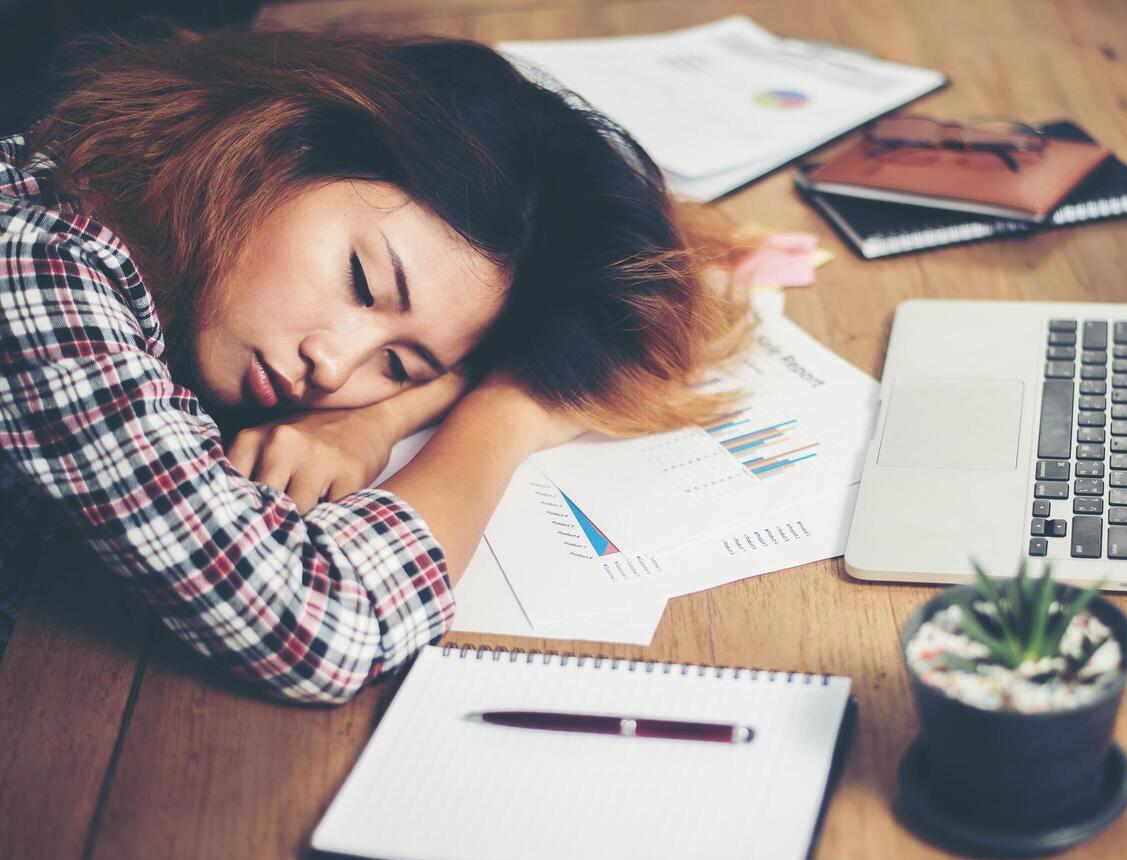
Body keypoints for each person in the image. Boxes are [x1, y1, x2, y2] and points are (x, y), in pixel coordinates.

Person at [0, 27, 748, 702]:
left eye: (398, 364)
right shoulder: (41, 262)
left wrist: (378, 417)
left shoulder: (169, 247)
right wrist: (512, 412)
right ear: (282, 148)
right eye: (362, 283)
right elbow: (313, 627)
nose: (332, 368)